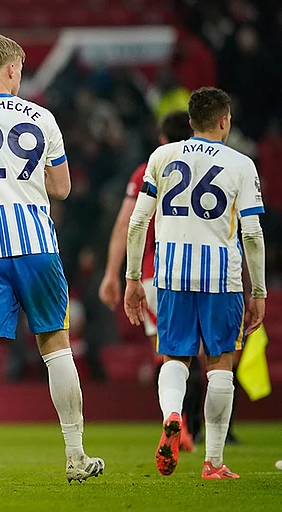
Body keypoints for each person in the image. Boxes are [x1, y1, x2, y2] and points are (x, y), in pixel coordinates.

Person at [0, 34, 104, 486]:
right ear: (12, 69)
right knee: (56, 347)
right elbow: (63, 186)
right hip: (37, 248)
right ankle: (75, 456)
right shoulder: (42, 117)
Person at [124, 86, 266, 480]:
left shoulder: (162, 156)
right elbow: (253, 235)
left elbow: (138, 223)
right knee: (220, 364)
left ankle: (173, 415)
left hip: (170, 273)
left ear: (189, 123)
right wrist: (259, 291)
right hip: (221, 276)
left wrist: (133, 277)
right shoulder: (241, 164)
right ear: (225, 120)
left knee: (174, 357)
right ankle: (214, 462)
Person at [99, 111, 198, 451]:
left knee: (168, 351)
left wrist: (113, 274)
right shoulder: (214, 167)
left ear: (160, 139)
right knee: (208, 356)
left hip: (157, 274)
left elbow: (127, 223)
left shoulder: (148, 170)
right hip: (206, 273)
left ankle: (178, 422)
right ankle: (202, 434)